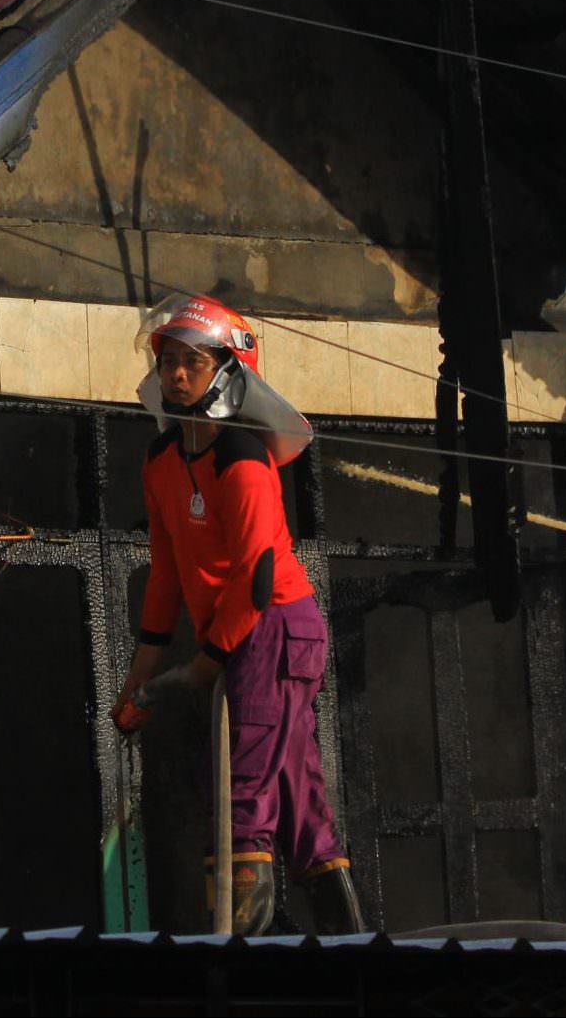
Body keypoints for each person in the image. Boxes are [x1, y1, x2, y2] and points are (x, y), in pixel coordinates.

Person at [112, 293, 360, 936]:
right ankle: (350, 943)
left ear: (228, 369)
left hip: (276, 627)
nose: (176, 373)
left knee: (237, 786)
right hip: (241, 633)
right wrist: (140, 678)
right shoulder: (162, 462)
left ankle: (240, 958)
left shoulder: (244, 459)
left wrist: (202, 668)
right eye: (168, 360)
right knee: (299, 804)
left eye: (192, 361)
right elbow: (166, 576)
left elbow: (258, 577)